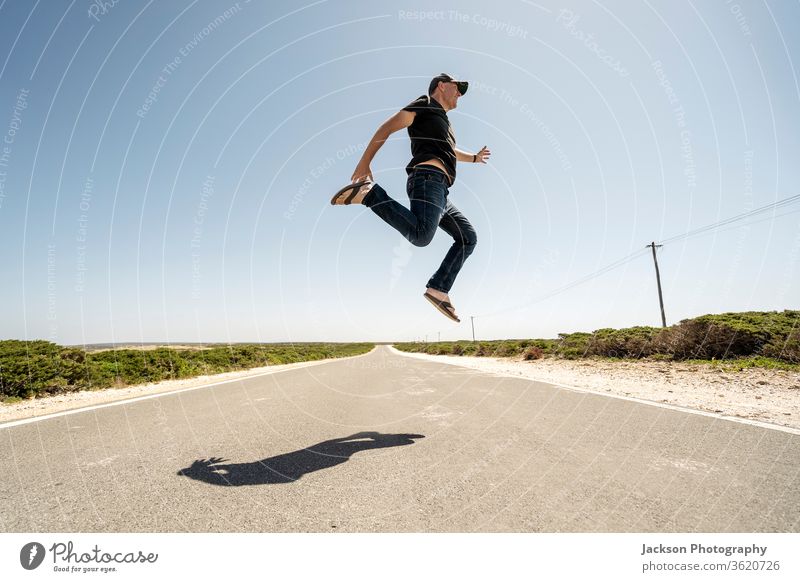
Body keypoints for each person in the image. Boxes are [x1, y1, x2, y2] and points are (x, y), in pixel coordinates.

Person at [331, 73, 491, 322]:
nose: (460, 93)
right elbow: (388, 126)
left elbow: (450, 151)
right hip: (426, 179)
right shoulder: (425, 104)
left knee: (467, 238)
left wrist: (474, 158)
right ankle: (371, 194)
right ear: (441, 86)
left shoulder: (445, 123)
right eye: (457, 87)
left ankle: (438, 288)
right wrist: (364, 162)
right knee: (421, 236)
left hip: (440, 190)